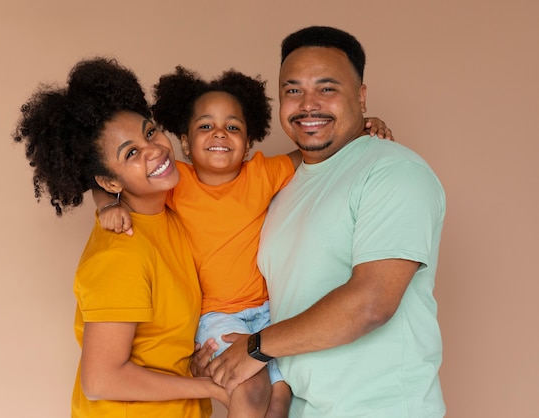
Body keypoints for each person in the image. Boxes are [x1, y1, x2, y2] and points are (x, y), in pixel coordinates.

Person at [94, 66, 393, 417]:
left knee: (282, 396)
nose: (220, 133)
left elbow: (319, 152)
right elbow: (111, 180)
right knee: (248, 388)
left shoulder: (263, 173)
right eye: (206, 126)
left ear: (249, 143)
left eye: (232, 127)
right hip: (217, 315)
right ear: (186, 144)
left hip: (269, 312)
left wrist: (360, 127)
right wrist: (106, 208)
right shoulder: (175, 181)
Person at [205, 26, 447, 418]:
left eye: (327, 88)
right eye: (293, 90)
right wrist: (219, 353)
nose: (308, 104)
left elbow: (371, 303)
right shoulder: (282, 186)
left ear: (361, 96)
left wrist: (254, 348)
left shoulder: (394, 171)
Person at [12, 57, 228, 418]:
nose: (155, 149)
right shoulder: (120, 253)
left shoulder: (168, 214)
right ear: (110, 183)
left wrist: (192, 365)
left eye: (150, 132)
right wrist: (211, 387)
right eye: (131, 154)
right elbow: (100, 380)